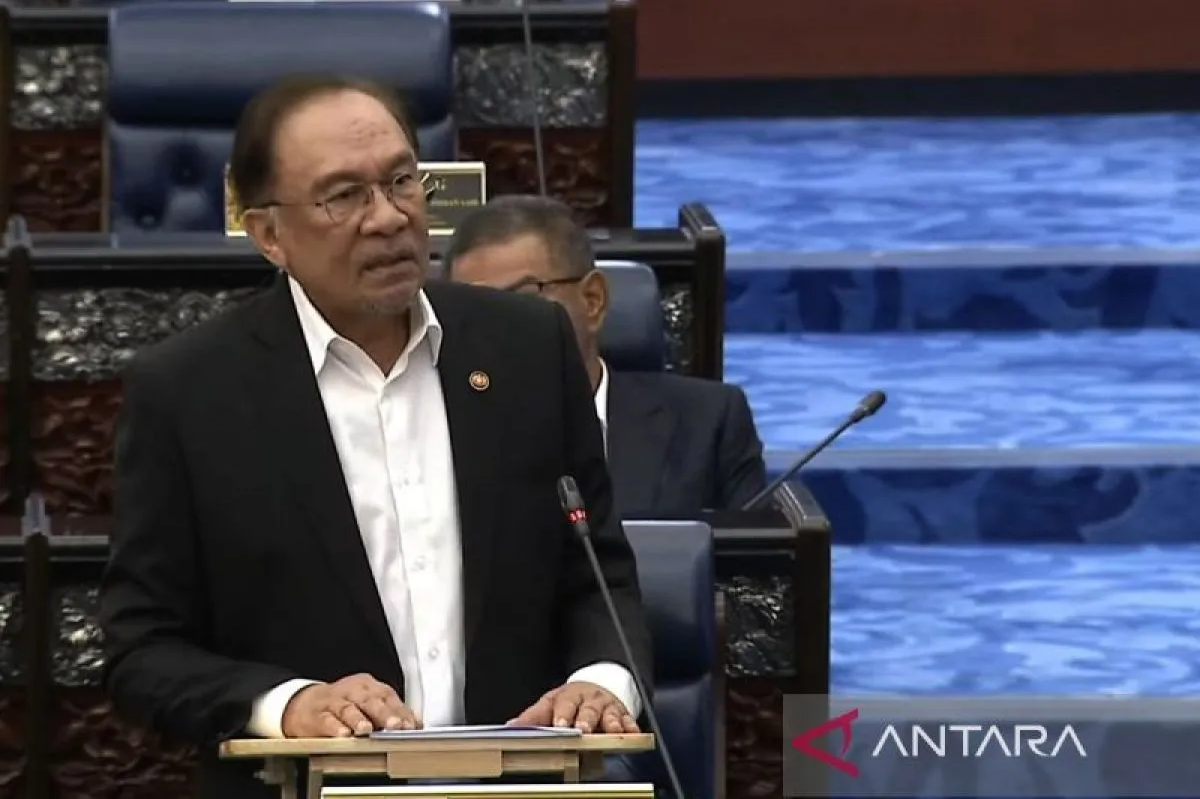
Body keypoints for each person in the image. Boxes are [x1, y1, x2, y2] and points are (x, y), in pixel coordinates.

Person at [98, 75, 650, 799]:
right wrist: (287, 705)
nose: (388, 218)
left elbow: (599, 576)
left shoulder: (527, 348)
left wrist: (601, 681)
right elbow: (141, 650)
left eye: (401, 181)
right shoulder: (189, 392)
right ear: (268, 234)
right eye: (343, 196)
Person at [444, 195, 768, 517]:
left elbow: (749, 549)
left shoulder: (709, 424)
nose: (497, 328)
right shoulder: (439, 437)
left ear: (593, 300)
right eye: (476, 309)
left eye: (522, 299)